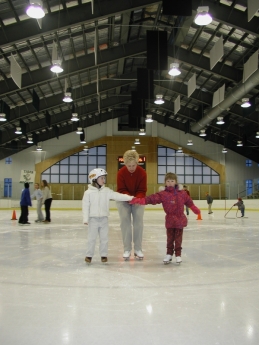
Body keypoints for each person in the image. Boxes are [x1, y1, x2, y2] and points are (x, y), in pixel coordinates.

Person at [130, 172, 200, 264]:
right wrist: (141, 200)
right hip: (170, 220)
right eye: (168, 181)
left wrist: (194, 209)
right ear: (165, 182)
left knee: (178, 239)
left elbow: (189, 202)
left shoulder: (182, 193)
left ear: (175, 182)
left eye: (172, 181)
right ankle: (169, 254)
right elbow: (152, 198)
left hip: (179, 220)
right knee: (170, 238)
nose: (170, 183)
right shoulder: (163, 194)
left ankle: (178, 255)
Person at [82, 168, 134, 263]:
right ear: (94, 179)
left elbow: (117, 196)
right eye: (101, 178)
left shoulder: (106, 191)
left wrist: (131, 198)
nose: (104, 180)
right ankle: (89, 255)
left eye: (104, 178)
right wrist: (85, 219)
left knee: (104, 238)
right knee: (91, 238)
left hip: (104, 219)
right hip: (93, 219)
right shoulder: (88, 193)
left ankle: (103, 255)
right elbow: (85, 206)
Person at [116, 150, 147, 260]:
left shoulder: (142, 173)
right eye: (129, 165)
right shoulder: (121, 173)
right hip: (123, 200)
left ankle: (138, 249)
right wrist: (129, 198)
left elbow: (142, 189)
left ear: (137, 163)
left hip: (138, 200)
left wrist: (136, 198)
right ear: (125, 164)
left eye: (133, 165)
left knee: (138, 223)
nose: (131, 167)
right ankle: (127, 249)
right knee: (125, 223)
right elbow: (121, 189)